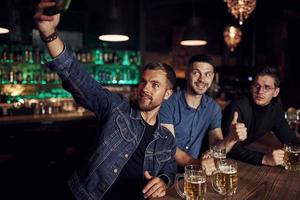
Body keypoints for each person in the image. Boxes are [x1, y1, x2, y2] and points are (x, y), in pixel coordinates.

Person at [34, 1, 177, 199]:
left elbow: (170, 170)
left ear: (168, 93)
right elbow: (78, 78)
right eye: (143, 82)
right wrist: (49, 34)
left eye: (155, 85)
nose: (145, 88)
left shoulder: (166, 140)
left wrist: (163, 180)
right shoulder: (117, 107)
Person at [159, 54, 247, 172]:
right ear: (186, 74)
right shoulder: (168, 103)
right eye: (196, 73)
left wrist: (231, 138)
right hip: (164, 173)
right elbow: (169, 146)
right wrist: (197, 164)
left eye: (207, 74)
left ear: (212, 77)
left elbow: (215, 148)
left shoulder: (213, 108)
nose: (202, 79)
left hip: (193, 175)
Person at [222, 66, 298, 166]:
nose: (260, 91)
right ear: (251, 87)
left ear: (276, 92)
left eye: (267, 87)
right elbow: (229, 148)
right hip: (211, 155)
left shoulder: (275, 110)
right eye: (256, 86)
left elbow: (291, 141)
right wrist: (264, 159)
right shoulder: (238, 106)